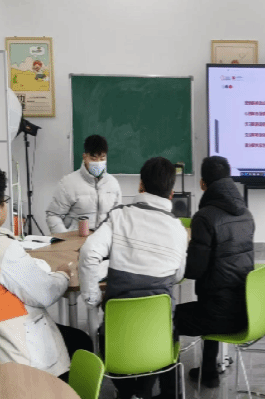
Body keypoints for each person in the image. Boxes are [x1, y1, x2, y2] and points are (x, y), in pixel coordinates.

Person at [79, 157, 188, 399]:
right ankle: (144, 391)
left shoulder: (118, 217)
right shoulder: (178, 230)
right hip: (158, 342)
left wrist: (92, 298)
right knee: (167, 328)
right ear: (171, 194)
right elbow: (178, 275)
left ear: (140, 185)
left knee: (111, 336)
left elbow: (88, 253)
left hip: (116, 342)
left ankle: (129, 393)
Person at [159, 156, 255, 397]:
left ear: (203, 184)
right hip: (247, 309)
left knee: (164, 319)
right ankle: (209, 370)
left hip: (220, 315)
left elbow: (194, 271)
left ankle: (170, 391)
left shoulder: (205, 217)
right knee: (215, 295)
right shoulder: (246, 214)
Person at [0, 169, 92, 382]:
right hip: (15, 352)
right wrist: (63, 275)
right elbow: (44, 293)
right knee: (80, 343)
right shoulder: (4, 249)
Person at [46, 135, 122, 234]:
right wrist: (65, 239)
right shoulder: (68, 183)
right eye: (94, 158)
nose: (98, 162)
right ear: (85, 157)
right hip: (77, 239)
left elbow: (118, 216)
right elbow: (53, 216)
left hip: (104, 239)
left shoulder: (113, 183)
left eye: (102, 158)